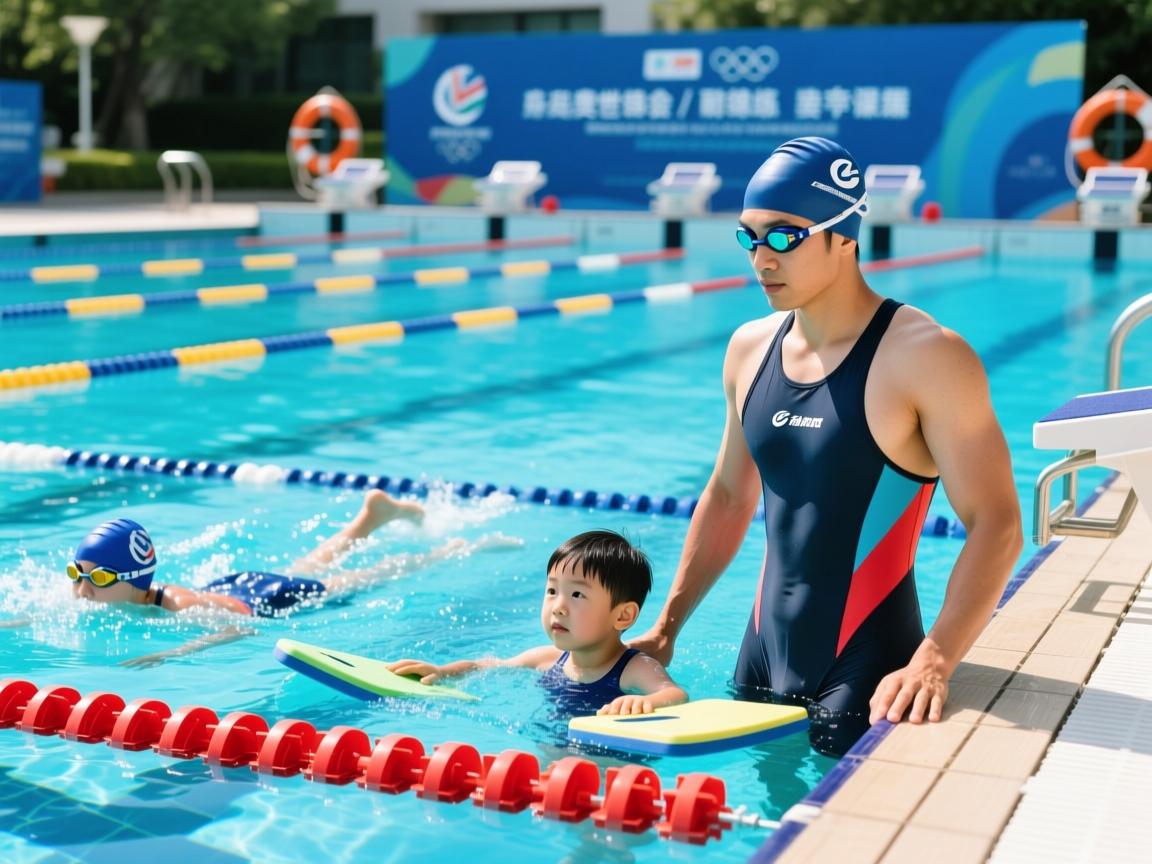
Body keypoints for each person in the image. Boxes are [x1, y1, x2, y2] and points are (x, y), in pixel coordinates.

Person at [630, 137, 1022, 755]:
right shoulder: (748, 349)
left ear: (845, 235)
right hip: (757, 658)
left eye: (784, 236)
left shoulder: (927, 356)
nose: (762, 258)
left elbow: (996, 523)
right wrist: (666, 628)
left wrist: (935, 660)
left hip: (872, 667)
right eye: (749, 237)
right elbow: (730, 496)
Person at [63, 489, 518, 667]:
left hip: (266, 601)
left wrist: (170, 653)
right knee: (307, 565)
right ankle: (367, 521)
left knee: (365, 578)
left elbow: (239, 629)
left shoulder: (178, 605)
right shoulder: (129, 594)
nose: (81, 589)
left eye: (97, 578)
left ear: (136, 579)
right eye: (76, 574)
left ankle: (456, 549)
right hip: (233, 584)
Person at [388, 530, 688, 717]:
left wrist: (641, 704)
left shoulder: (632, 668)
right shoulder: (548, 658)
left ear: (622, 615)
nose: (558, 607)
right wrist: (442, 672)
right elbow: (488, 665)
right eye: (552, 591)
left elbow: (674, 694)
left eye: (577, 594)